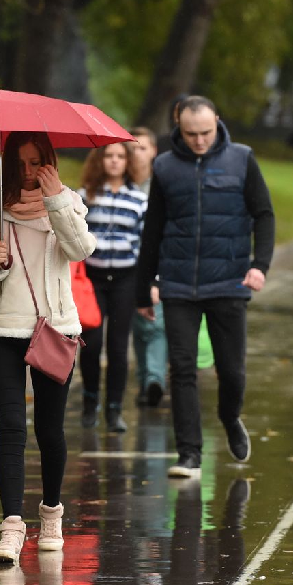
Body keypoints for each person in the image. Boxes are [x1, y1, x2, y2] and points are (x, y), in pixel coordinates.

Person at [0, 131, 96, 562]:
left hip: (55, 330)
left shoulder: (69, 202)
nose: (27, 171)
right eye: (19, 162)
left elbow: (80, 249)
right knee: (11, 429)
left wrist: (56, 198)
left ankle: (52, 514)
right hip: (5, 330)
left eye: (36, 161)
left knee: (50, 430)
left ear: (50, 161)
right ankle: (11, 528)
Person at [136, 96, 276, 478]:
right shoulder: (164, 167)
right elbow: (153, 230)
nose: (199, 141)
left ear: (217, 121)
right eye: (190, 133)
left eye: (206, 132)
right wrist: (143, 285)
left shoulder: (242, 159)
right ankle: (189, 454)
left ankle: (230, 417)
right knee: (181, 368)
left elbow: (264, 214)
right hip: (178, 284)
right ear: (177, 128)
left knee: (232, 371)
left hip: (229, 282)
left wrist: (259, 265)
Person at [78, 143, 149, 432]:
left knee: (119, 348)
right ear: (100, 159)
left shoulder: (139, 200)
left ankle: (115, 409)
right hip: (92, 280)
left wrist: (149, 283)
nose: (115, 161)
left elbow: (145, 245)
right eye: (109, 155)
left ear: (128, 162)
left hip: (125, 280)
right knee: (91, 344)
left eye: (121, 156)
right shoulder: (85, 197)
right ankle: (90, 402)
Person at [128, 126, 168, 407]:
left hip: (154, 268)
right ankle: (145, 379)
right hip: (124, 270)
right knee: (136, 328)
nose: (136, 154)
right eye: (132, 148)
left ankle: (154, 379)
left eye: (142, 147)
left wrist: (156, 278)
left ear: (153, 151)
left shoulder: (162, 185)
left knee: (154, 324)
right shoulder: (119, 185)